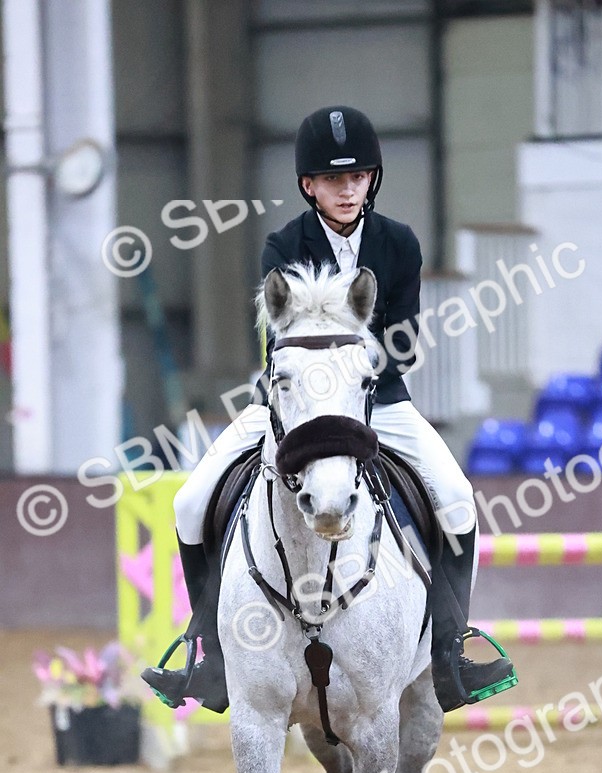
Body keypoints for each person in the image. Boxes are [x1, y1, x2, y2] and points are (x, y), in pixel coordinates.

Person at [142, 105, 516, 714]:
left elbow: (406, 344)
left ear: (372, 180)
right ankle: (207, 653)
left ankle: (451, 649)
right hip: (289, 410)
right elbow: (278, 351)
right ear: (307, 185)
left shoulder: (398, 244)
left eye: (357, 177)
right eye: (332, 179)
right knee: (189, 502)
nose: (347, 189)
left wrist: (351, 364)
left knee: (456, 498)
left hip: (379, 401)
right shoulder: (283, 246)